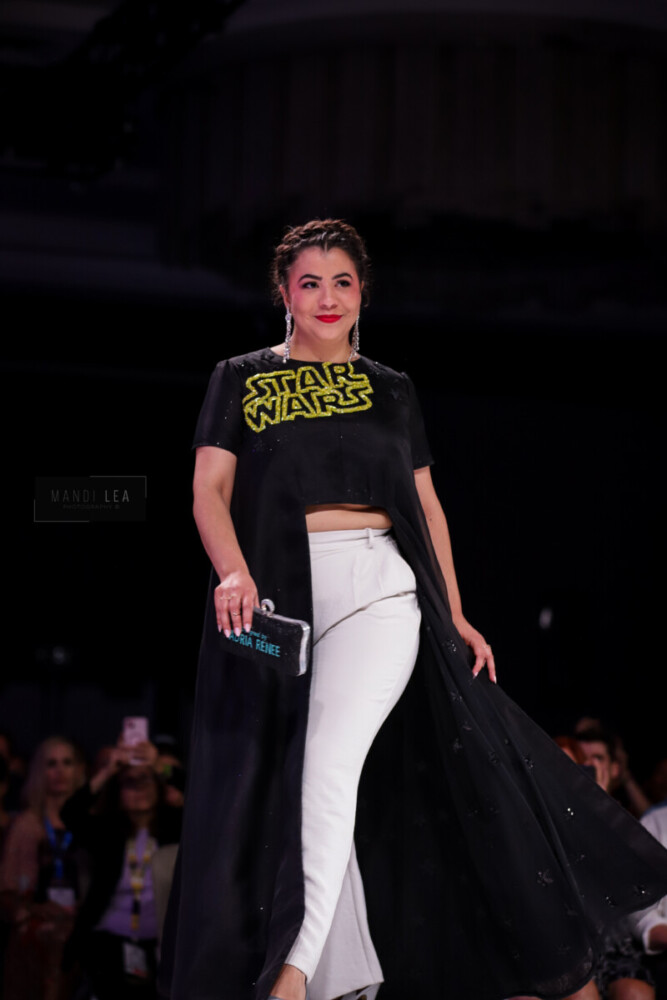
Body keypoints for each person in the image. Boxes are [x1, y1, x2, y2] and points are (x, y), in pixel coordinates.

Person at [158, 219, 667, 1000]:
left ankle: (289, 975)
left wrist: (453, 612)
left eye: (342, 281)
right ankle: (344, 976)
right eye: (309, 282)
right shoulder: (242, 377)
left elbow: (427, 507)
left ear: (362, 292)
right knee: (282, 779)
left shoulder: (390, 388)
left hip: (380, 590)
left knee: (324, 766)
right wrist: (231, 571)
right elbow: (207, 490)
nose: (327, 297)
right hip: (282, 596)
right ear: (283, 293)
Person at [61, 738, 182, 1000]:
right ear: (118, 790)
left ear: (157, 785)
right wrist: (107, 771)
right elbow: (69, 813)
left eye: (145, 779)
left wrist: (159, 765)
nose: (138, 787)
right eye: (129, 781)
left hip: (158, 945)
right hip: (108, 942)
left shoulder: (174, 827)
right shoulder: (107, 831)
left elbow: (200, 798)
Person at [0, 736, 85, 1000]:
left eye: (67, 763)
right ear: (39, 772)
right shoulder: (27, 825)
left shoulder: (90, 823)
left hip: (83, 923)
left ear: (78, 770)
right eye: (51, 764)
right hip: (36, 929)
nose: (60, 771)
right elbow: (8, 889)